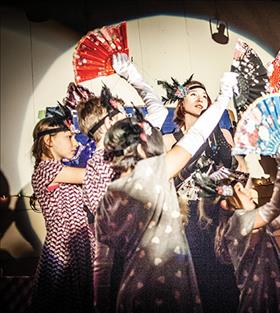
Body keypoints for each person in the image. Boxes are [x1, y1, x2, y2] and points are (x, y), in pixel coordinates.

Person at [93, 71, 238, 313]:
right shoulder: (156, 173)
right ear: (142, 149)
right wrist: (224, 97)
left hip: (131, 287)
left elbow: (101, 263)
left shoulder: (112, 191)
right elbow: (196, 136)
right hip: (171, 280)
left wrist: (100, 304)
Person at [194, 137, 280, 313]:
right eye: (241, 190)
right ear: (225, 203)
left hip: (277, 294)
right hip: (258, 300)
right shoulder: (237, 222)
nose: (249, 192)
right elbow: (276, 207)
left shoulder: (252, 221)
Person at [160, 76, 244, 312]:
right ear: (180, 102)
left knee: (230, 276)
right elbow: (166, 182)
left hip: (222, 211)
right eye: (193, 93)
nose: (200, 98)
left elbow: (241, 171)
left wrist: (225, 191)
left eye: (204, 94)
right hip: (191, 217)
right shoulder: (169, 140)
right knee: (201, 278)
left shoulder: (224, 135)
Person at [77, 52, 168, 219]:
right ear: (108, 123)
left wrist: (131, 74)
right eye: (123, 115)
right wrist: (131, 75)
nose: (129, 119)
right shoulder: (114, 160)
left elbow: (159, 112)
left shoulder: (95, 168)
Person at [29, 111, 93, 313]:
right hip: (63, 249)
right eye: (69, 137)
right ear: (48, 140)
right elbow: (92, 176)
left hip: (81, 243)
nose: (75, 143)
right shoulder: (46, 169)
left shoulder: (60, 168)